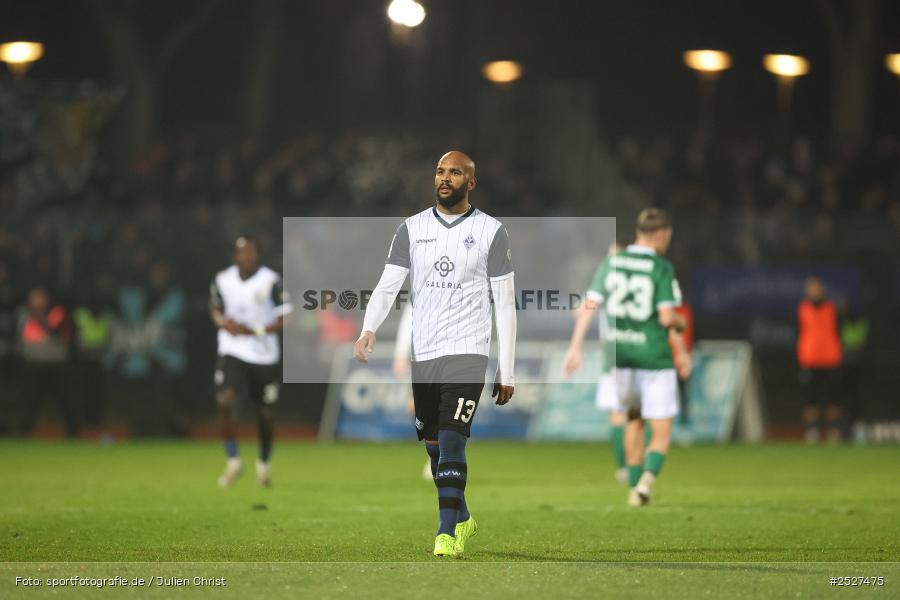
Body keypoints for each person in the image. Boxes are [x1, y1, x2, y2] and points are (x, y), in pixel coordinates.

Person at [354, 151, 517, 558]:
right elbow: (389, 284)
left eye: (455, 173)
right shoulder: (411, 229)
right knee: (431, 443)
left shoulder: (491, 232)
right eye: (441, 171)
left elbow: (506, 304)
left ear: (471, 182)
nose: (445, 178)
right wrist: (368, 328)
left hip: (468, 352)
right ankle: (463, 515)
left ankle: (445, 533)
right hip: (424, 354)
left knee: (451, 440)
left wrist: (507, 368)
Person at [575, 209, 690, 507]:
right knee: (661, 430)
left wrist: (574, 347)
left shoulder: (611, 262)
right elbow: (666, 318)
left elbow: (587, 305)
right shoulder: (661, 267)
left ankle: (630, 480)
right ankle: (644, 484)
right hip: (653, 358)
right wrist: (681, 327)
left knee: (632, 421)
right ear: (662, 234)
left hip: (619, 359)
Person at [210, 236, 293, 487]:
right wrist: (225, 323)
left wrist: (256, 331)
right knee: (225, 399)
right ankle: (233, 459)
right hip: (233, 350)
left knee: (265, 412)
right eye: (242, 253)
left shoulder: (271, 280)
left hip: (263, 354)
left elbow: (286, 317)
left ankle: (263, 464)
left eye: (251, 253)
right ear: (235, 256)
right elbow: (215, 309)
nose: (246, 258)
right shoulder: (222, 279)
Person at [563, 241, 630, 485]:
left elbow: (583, 309)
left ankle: (624, 467)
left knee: (618, 414)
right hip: (644, 350)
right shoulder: (642, 273)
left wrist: (575, 347)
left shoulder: (607, 272)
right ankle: (639, 466)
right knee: (640, 414)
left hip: (615, 352)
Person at [18, 287, 77, 437]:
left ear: (46, 298)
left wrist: (38, 317)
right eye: (31, 298)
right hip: (33, 363)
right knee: (30, 399)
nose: (33, 302)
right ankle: (24, 431)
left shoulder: (58, 313)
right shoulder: (24, 314)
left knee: (64, 399)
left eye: (37, 298)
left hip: (55, 364)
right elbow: (21, 337)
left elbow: (57, 332)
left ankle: (73, 432)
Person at [797, 277, 843, 443]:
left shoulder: (832, 309)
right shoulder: (802, 310)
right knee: (810, 399)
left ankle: (834, 431)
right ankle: (812, 432)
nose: (815, 291)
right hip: (809, 361)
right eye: (811, 288)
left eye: (817, 288)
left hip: (830, 360)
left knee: (833, 398)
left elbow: (840, 330)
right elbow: (797, 333)